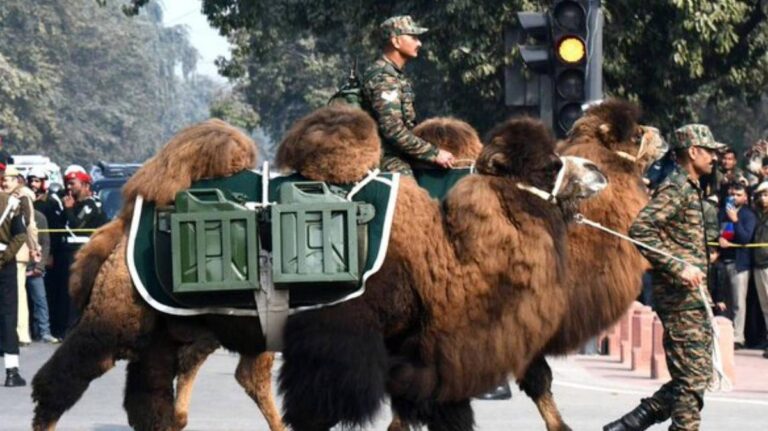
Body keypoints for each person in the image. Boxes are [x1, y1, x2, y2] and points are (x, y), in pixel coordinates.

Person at [605, 124, 723, 431]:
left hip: (693, 298)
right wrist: (678, 267)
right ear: (693, 151)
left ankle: (633, 422)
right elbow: (641, 230)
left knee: (695, 376)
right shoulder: (677, 188)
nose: (714, 157)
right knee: (691, 380)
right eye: (709, 151)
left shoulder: (691, 187)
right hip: (678, 299)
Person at [362, 15, 455, 175]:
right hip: (384, 155)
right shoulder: (384, 78)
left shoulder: (394, 75)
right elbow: (392, 129)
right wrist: (433, 153)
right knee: (410, 192)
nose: (419, 43)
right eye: (413, 37)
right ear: (396, 41)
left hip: (398, 149)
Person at [58, 170, 107, 332]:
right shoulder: (71, 203)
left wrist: (69, 209)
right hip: (68, 253)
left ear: (85, 185)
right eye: (67, 183)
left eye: (73, 183)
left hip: (82, 254)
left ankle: (76, 328)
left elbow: (76, 226)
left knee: (78, 290)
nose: (68, 187)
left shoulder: (91, 205)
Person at [1, 166, 39, 345]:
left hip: (17, 251)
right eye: (3, 178)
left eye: (8, 178)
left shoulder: (22, 198)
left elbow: (29, 225)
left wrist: (34, 247)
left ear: (16, 180)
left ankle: (20, 333)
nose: (4, 181)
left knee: (17, 295)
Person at [717, 182, 757, 349]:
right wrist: (720, 239)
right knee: (724, 301)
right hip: (723, 262)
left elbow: (745, 238)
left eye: (738, 194)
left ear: (745, 198)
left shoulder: (748, 214)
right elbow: (723, 233)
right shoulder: (723, 213)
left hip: (740, 264)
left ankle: (738, 337)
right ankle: (723, 334)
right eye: (731, 194)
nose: (734, 197)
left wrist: (736, 220)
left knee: (738, 303)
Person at [0, 190, 29, 387]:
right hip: (4, 263)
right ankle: (11, 372)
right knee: (8, 315)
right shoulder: (10, 202)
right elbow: (19, 236)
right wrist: (4, 259)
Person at [750, 182, 768, 358]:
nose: (763, 198)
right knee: (765, 307)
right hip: (759, 263)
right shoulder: (760, 215)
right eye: (761, 195)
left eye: (766, 195)